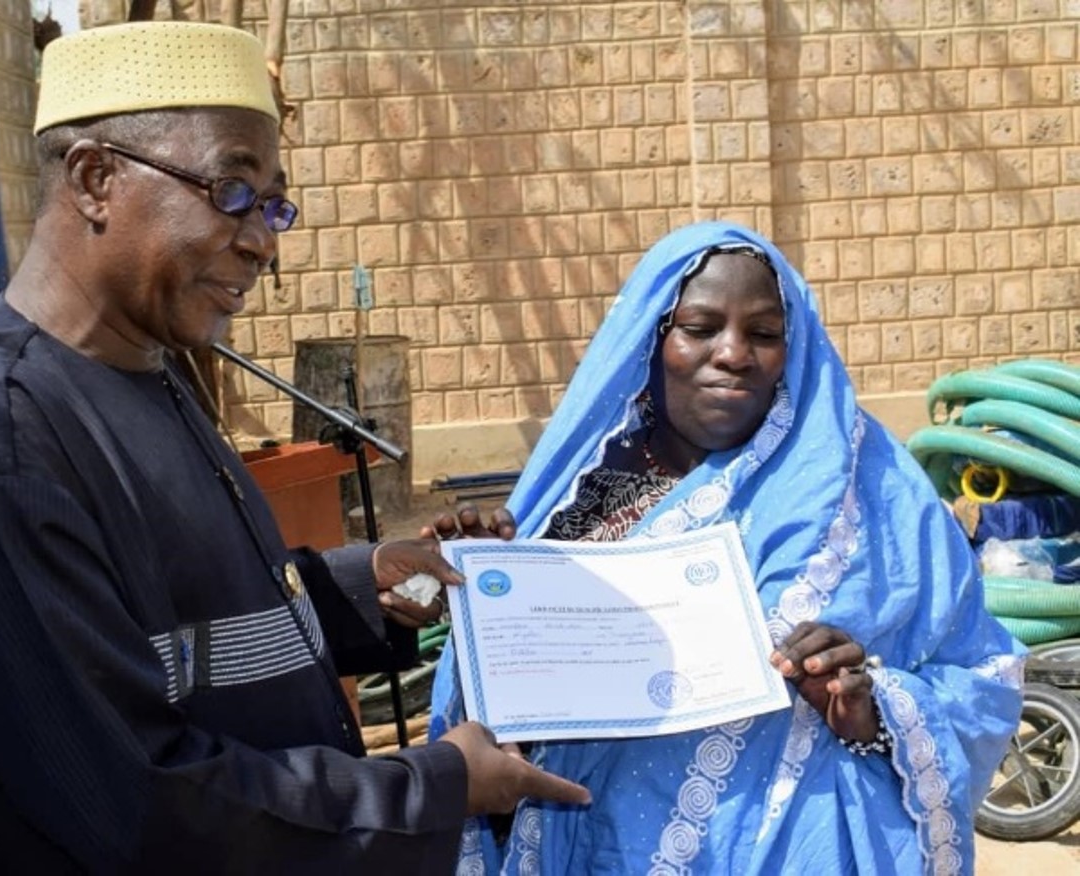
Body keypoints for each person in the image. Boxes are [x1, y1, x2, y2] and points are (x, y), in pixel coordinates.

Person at [0, 21, 587, 874]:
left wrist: (368, 588)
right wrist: (432, 786)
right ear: (96, 178)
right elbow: (137, 800)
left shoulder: (147, 367)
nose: (262, 241)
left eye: (273, 203)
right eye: (231, 190)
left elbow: (184, 625)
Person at [429, 221, 1026, 874]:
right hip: (595, 847)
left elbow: (983, 676)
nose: (734, 353)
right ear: (653, 339)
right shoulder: (578, 497)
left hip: (798, 847)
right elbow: (505, 715)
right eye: (700, 327)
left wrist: (870, 710)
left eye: (763, 334)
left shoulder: (871, 487)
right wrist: (479, 601)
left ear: (792, 347)